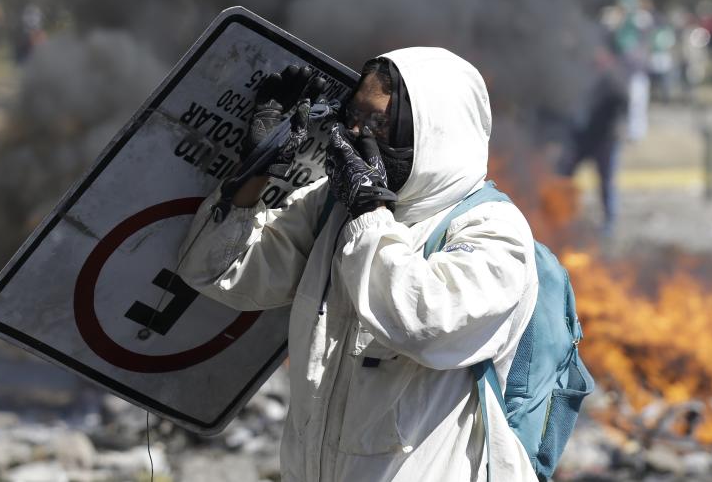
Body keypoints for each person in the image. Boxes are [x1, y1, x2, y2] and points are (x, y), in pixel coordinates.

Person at [179, 48, 539, 481]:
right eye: (354, 118)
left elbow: (421, 321)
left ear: (433, 132)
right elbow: (219, 270)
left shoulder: (491, 229)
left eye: (378, 123)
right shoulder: (334, 205)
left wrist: (368, 212)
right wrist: (256, 168)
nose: (355, 134)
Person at [556, 48, 628, 236]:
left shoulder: (613, 81)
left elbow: (623, 101)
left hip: (605, 140)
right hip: (581, 138)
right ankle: (563, 216)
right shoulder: (580, 78)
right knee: (564, 173)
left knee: (606, 183)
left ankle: (609, 223)